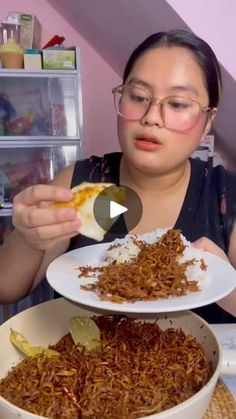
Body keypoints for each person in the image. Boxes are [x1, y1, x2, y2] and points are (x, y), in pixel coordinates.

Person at [0, 30, 235, 322]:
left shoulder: (225, 196)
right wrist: (27, 238)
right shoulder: (80, 181)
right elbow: (7, 289)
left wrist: (226, 284)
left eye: (177, 104)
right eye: (137, 96)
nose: (151, 116)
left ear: (207, 121)